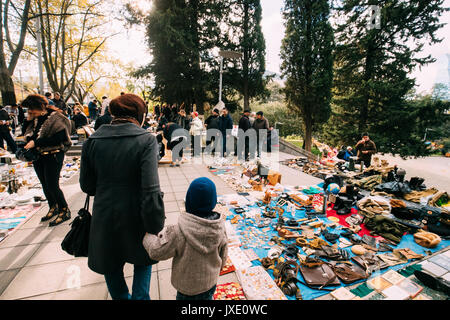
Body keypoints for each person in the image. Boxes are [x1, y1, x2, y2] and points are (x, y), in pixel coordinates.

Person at [80, 93, 165, 300]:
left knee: (111, 265)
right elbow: (150, 189)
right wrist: (155, 224)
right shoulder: (146, 140)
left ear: (112, 114)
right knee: (143, 260)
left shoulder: (92, 141)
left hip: (104, 215)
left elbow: (87, 186)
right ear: (139, 115)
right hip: (137, 216)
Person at [142, 177, 228, 300]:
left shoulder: (178, 231)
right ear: (213, 202)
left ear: (189, 201)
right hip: (209, 284)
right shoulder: (220, 228)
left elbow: (156, 252)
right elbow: (223, 257)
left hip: (187, 289)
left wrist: (147, 237)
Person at [22, 94, 72, 227]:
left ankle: (64, 209)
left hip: (54, 153)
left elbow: (61, 138)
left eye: (31, 109)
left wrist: (36, 142)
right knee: (44, 183)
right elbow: (25, 134)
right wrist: (28, 120)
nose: (30, 112)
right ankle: (52, 206)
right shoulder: (34, 119)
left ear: (40, 106)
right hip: (39, 155)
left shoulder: (57, 118)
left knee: (52, 184)